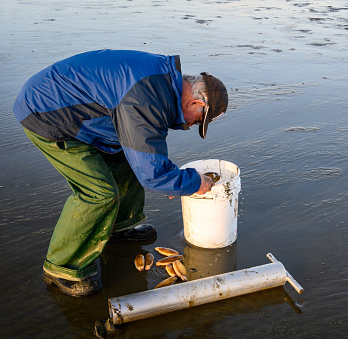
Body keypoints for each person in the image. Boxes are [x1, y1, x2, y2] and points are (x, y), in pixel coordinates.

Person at [13, 49, 228, 297]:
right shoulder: (147, 100)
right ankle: (61, 267)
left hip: (81, 108)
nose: (192, 126)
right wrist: (189, 182)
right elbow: (152, 174)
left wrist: (171, 181)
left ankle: (118, 228)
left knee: (127, 158)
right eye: (199, 120)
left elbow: (147, 155)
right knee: (98, 193)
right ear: (196, 103)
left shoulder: (164, 84)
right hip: (48, 112)